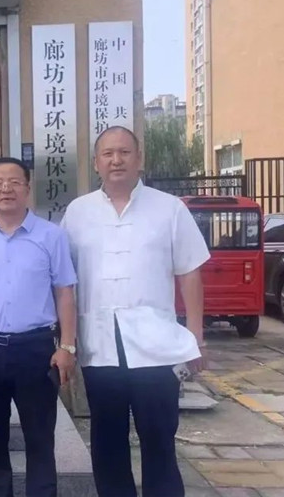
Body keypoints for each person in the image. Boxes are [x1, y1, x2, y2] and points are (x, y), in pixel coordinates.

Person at [61, 126, 210, 497]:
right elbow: (64, 280)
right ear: (96, 162)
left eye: (124, 152)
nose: (117, 160)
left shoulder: (169, 209)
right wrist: (67, 342)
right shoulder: (78, 212)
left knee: (159, 439)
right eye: (108, 153)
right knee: (107, 441)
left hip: (156, 348)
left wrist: (196, 337)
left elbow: (189, 272)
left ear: (139, 158)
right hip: (99, 347)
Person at [0, 157, 77, 497]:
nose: (6, 189)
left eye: (14, 182)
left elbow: (65, 292)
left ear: (27, 188)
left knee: (40, 438)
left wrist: (67, 346)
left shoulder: (51, 236)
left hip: (35, 348)